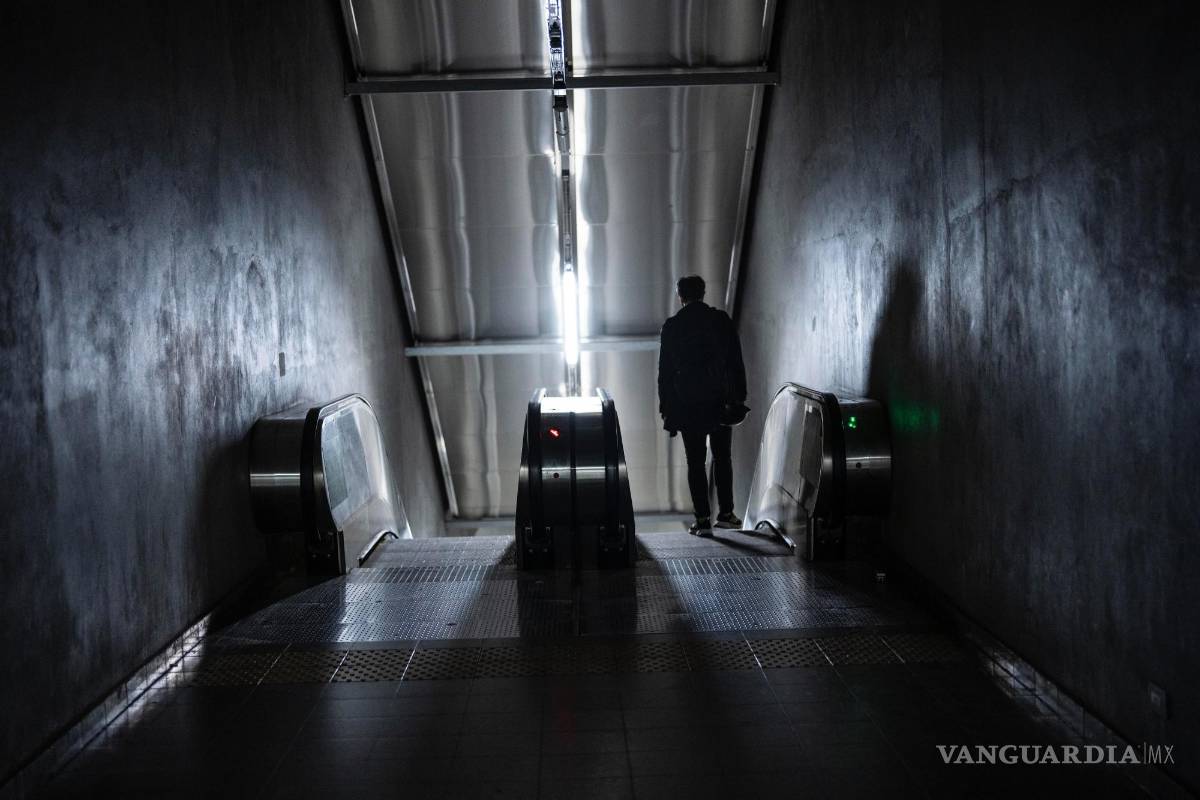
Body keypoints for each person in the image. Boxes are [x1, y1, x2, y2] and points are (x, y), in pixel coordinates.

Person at [657, 275, 748, 536]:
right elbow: (735, 361)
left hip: (687, 405)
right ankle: (727, 514)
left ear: (681, 296)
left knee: (695, 462)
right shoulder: (720, 320)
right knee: (722, 457)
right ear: (704, 293)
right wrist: (739, 396)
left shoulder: (672, 326)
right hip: (720, 401)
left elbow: (665, 372)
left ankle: (702, 519)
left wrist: (666, 408)